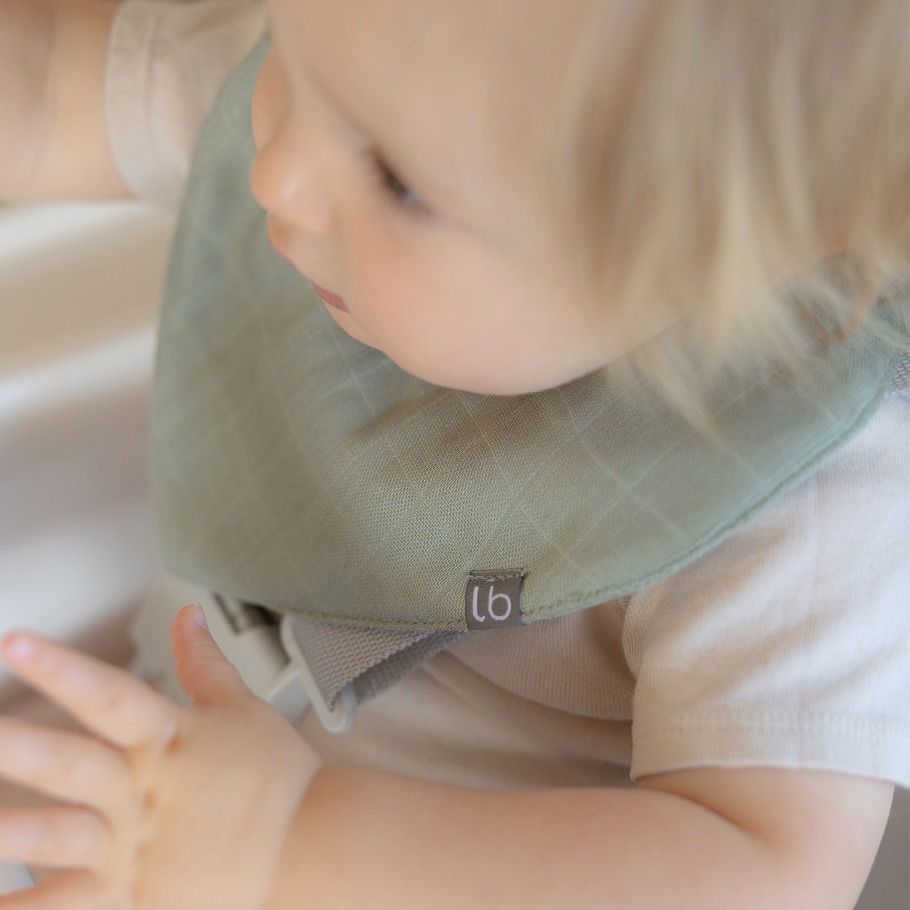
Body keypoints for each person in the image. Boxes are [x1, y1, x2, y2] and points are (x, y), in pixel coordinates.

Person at [0, 1, 908, 907]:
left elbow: (761, 877)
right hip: (134, 764)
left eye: (397, 182)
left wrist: (283, 846)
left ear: (723, 241)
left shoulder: (812, 510)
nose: (276, 173)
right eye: (283, 42)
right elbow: (43, 94)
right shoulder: (369, 59)